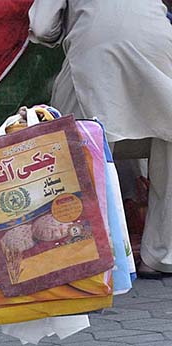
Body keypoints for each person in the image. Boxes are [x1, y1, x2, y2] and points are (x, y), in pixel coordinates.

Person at [29, 0, 172, 279]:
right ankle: (163, 255)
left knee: (79, 147)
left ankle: (88, 255)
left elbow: (42, 26)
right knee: (167, 138)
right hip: (159, 41)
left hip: (96, 48)